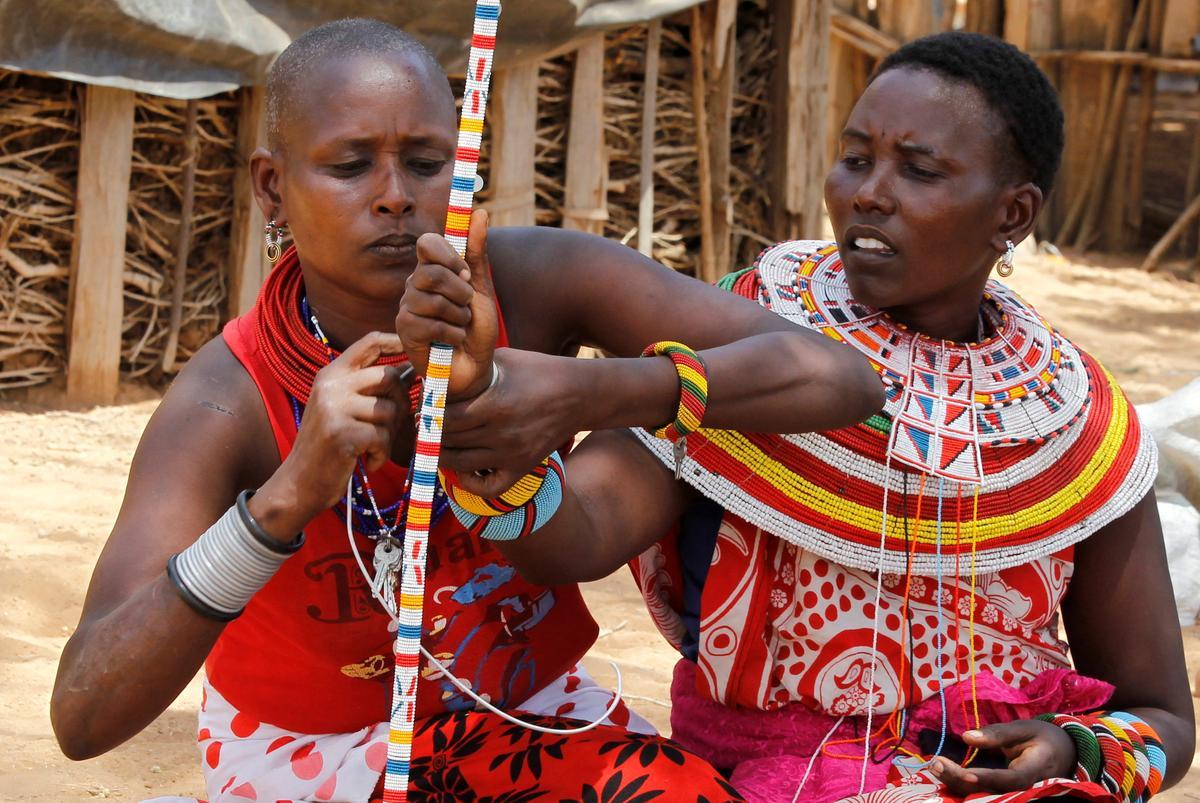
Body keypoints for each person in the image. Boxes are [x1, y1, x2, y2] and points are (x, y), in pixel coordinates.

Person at [50, 18, 882, 803]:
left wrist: (578, 389)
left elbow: (839, 378)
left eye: (425, 161)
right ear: (273, 185)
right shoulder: (227, 399)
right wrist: (285, 499)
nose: (394, 197)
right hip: (320, 761)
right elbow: (84, 716)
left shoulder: (532, 281)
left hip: (533, 716)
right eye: (349, 166)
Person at [408, 31, 1195, 803]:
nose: (867, 191)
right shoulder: (742, 338)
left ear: (1012, 214)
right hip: (760, 783)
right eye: (855, 158)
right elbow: (577, 536)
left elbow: (1163, 718)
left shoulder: (1075, 429)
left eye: (917, 170)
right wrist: (492, 449)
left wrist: (1073, 747)